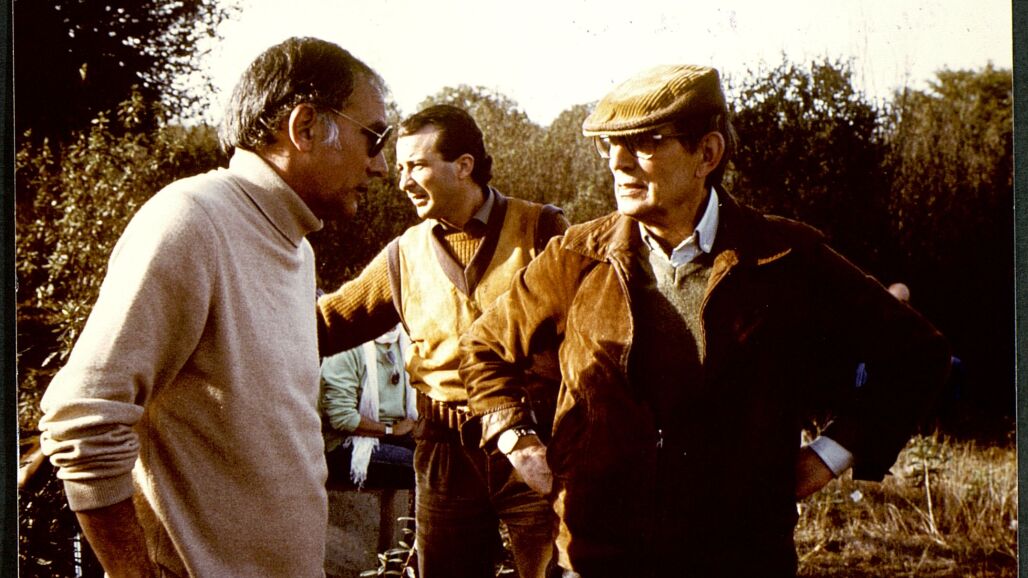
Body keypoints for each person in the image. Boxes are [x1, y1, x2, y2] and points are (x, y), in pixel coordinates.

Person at [458, 64, 951, 578]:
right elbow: (482, 348)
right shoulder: (577, 256)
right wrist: (519, 444)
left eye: (645, 143)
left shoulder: (785, 256)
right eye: (609, 145)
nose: (618, 163)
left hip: (740, 556)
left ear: (707, 154)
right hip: (597, 555)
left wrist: (829, 455)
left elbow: (918, 353)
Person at [37, 36, 390, 577]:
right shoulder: (191, 221)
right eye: (374, 138)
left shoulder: (297, 249)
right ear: (305, 127)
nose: (381, 166)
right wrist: (130, 572)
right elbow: (83, 418)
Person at [318, 104, 569, 578]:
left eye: (416, 166)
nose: (403, 182)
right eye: (400, 169)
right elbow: (328, 323)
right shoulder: (404, 254)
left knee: (553, 570)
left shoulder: (541, 231)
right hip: (445, 451)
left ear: (464, 165)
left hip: (535, 440)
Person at [321, 323, 417, 490]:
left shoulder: (405, 339)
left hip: (394, 433)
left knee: (446, 457)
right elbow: (342, 417)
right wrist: (390, 430)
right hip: (345, 443)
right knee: (423, 467)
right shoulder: (347, 344)